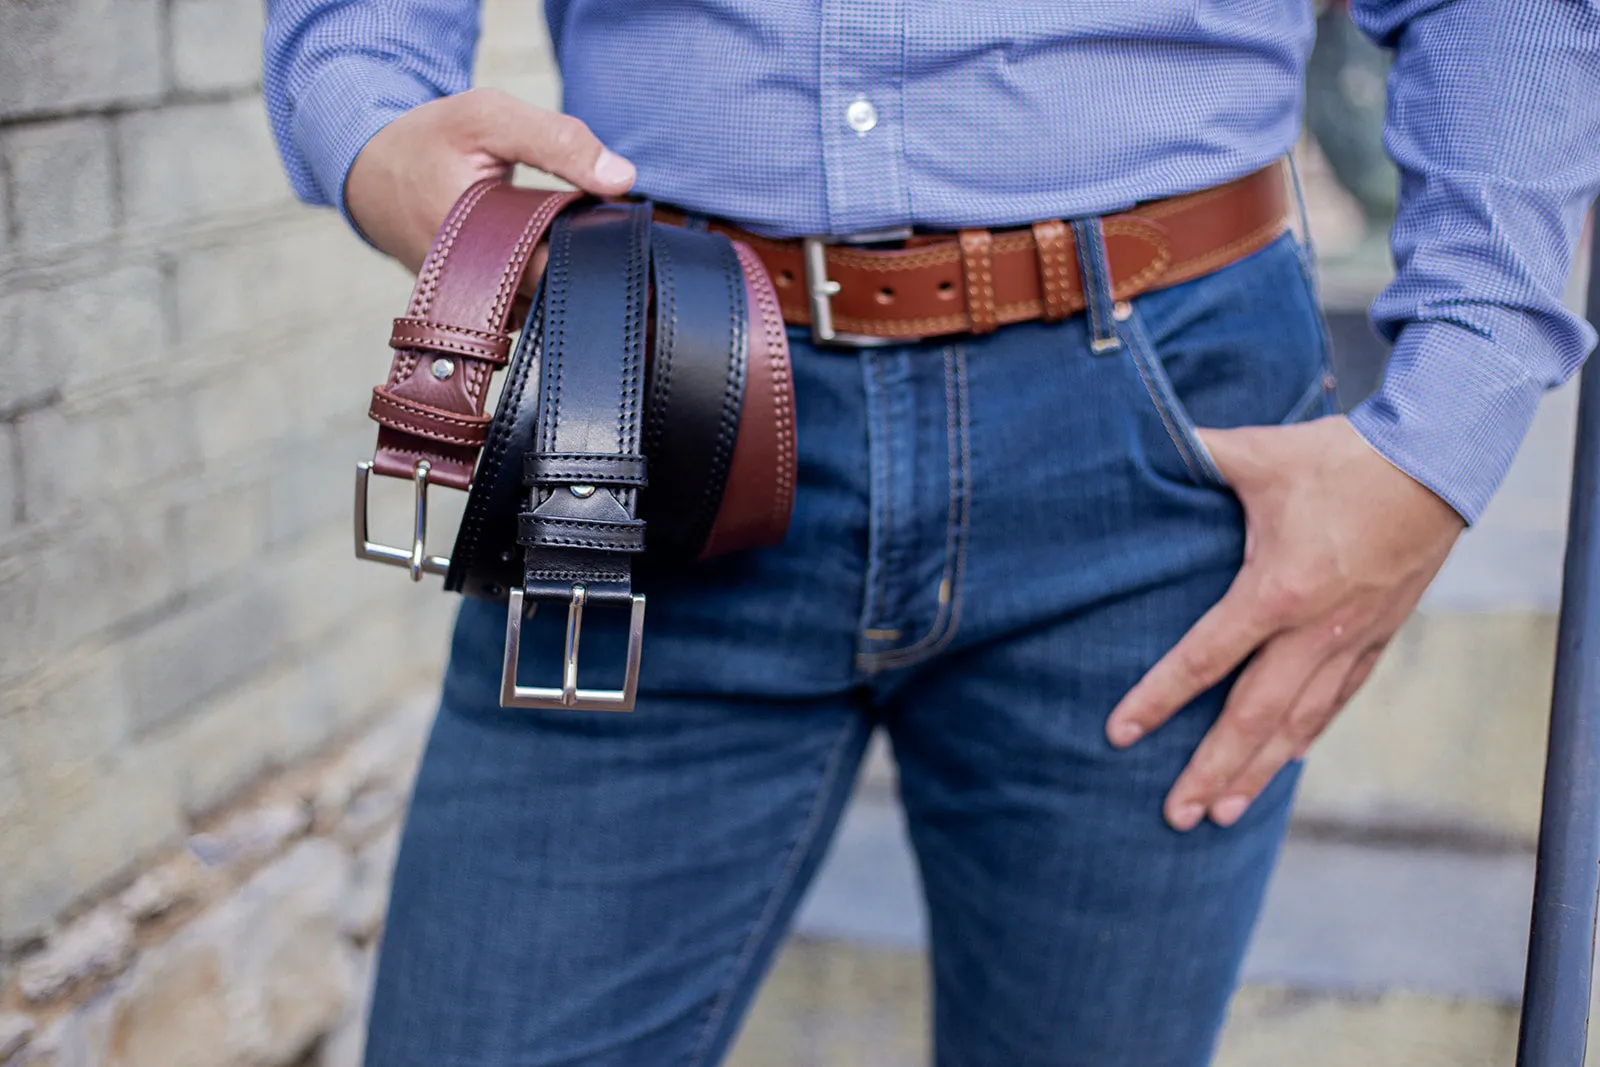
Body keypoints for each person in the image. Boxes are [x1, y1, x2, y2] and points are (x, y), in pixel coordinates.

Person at [263, 3, 1600, 1064]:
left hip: (1163, 417)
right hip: (654, 393)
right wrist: (382, 140)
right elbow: (358, 32)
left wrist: (1446, 430)